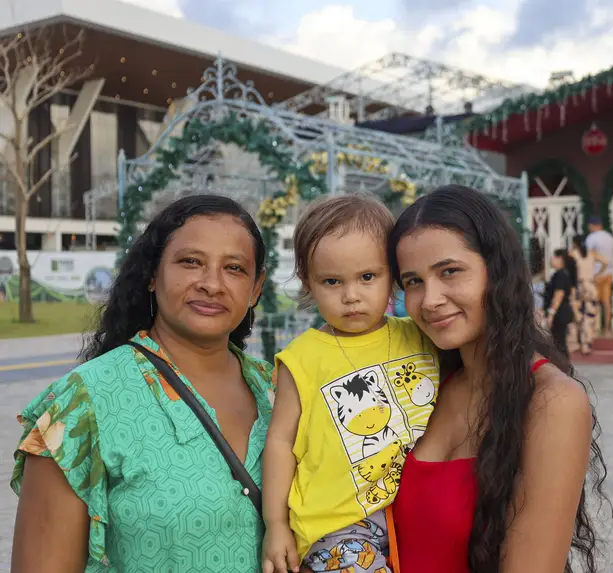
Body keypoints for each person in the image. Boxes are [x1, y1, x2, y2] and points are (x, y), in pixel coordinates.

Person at [9, 195, 274, 572]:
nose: (212, 284)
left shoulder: (279, 390)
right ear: (153, 273)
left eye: (234, 268)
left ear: (256, 287)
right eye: (191, 262)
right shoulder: (81, 404)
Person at [388, 185, 608, 573]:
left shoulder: (551, 401)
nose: (430, 299)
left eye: (449, 272)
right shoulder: (422, 386)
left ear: (497, 270)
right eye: (413, 281)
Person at [261, 194, 440, 573]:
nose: (351, 295)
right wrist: (276, 524)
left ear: (393, 275)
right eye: (332, 281)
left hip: (412, 514)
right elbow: (279, 443)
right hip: (336, 525)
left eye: (368, 277)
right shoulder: (303, 357)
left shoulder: (421, 335)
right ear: (308, 282)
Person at [568, 235, 607, 355]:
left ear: (575, 243)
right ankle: (587, 343)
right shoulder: (592, 253)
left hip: (579, 286)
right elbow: (606, 262)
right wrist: (597, 274)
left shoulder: (573, 254)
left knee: (578, 315)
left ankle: (578, 343)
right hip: (590, 286)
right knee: (589, 315)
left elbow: (569, 270)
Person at [585, 215, 613, 334]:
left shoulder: (592, 238)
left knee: (593, 301)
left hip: (596, 273)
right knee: (606, 302)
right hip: (609, 273)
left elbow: (590, 255)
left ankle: (594, 329)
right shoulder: (609, 237)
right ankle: (607, 328)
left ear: (593, 225)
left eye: (590, 225)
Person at [544, 248, 576, 355]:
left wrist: (551, 314)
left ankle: (563, 367)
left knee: (559, 342)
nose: (551, 259)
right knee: (559, 341)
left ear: (560, 259)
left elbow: (559, 295)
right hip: (562, 311)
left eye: (554, 257)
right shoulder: (561, 274)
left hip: (560, 312)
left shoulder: (561, 275)